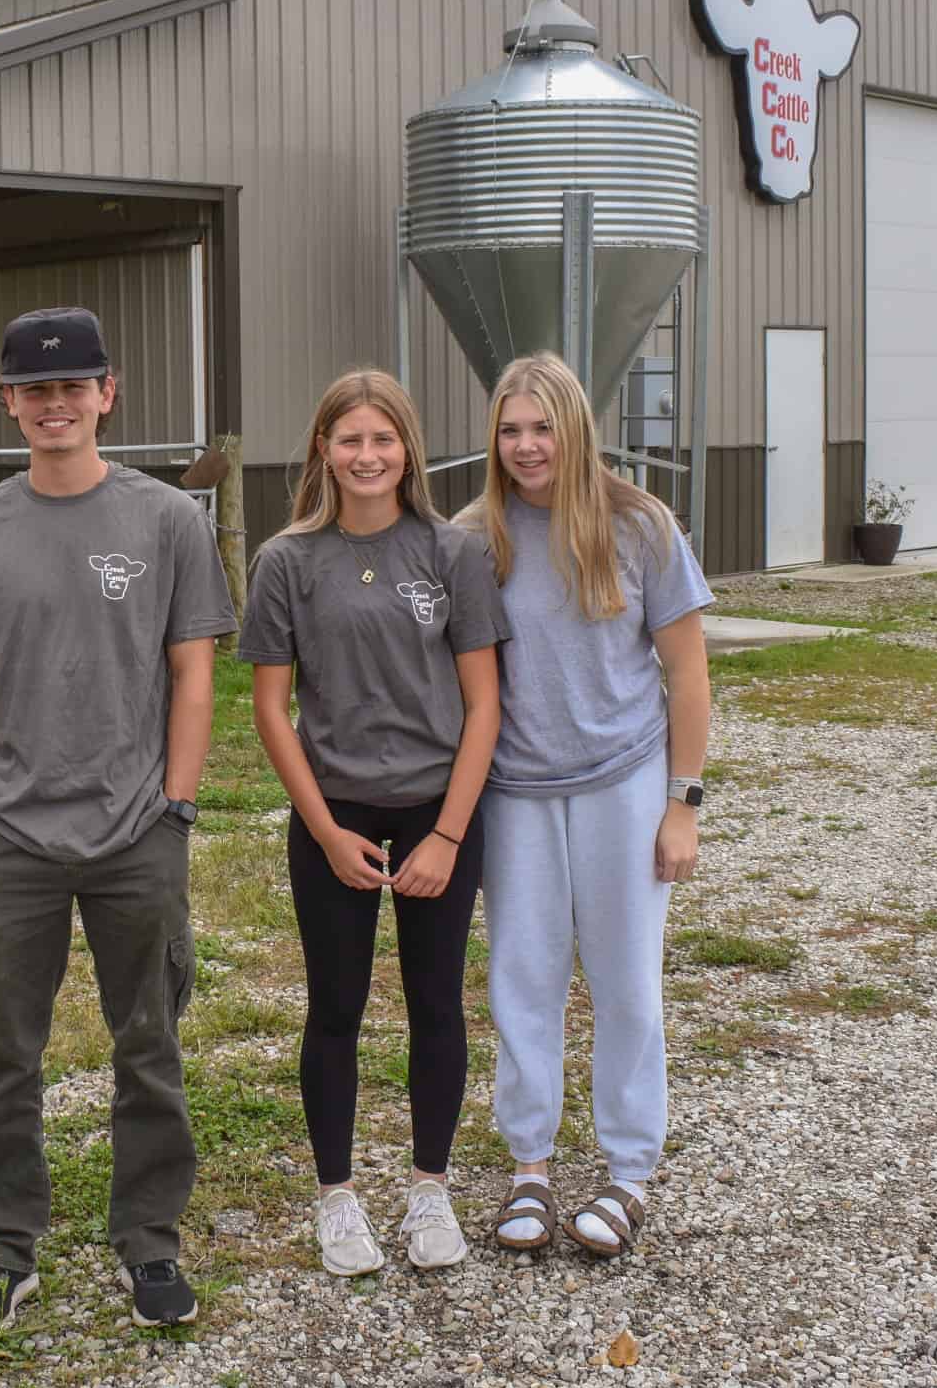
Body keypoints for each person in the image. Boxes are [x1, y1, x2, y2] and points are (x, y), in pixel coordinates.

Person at [0, 306, 239, 1329]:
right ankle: (3, 1249)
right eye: (35, 389)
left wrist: (175, 806)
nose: (56, 404)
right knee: (8, 1052)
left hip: (135, 827)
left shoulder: (165, 522)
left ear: (108, 394)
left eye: (75, 386)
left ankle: (149, 1241)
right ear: (7, 402)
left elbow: (195, 670)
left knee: (149, 1039)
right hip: (9, 836)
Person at [240, 369, 507, 1277]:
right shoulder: (286, 561)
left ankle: (430, 1188)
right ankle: (338, 1198)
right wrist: (322, 830)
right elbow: (273, 710)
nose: (365, 456)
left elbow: (484, 704)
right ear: (323, 448)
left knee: (437, 1004)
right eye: (348, 439)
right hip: (336, 812)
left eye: (382, 440)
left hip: (438, 808)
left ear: (408, 450)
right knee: (336, 1009)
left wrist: (446, 835)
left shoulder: (452, 552)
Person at [458, 353, 711, 1259]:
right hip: (516, 793)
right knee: (521, 979)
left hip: (624, 781)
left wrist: (682, 802)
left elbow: (687, 672)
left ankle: (628, 1170)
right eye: (511, 428)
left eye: (542, 426)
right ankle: (529, 1166)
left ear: (574, 426)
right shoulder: (472, 537)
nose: (527, 446)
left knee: (625, 980)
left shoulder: (640, 526)